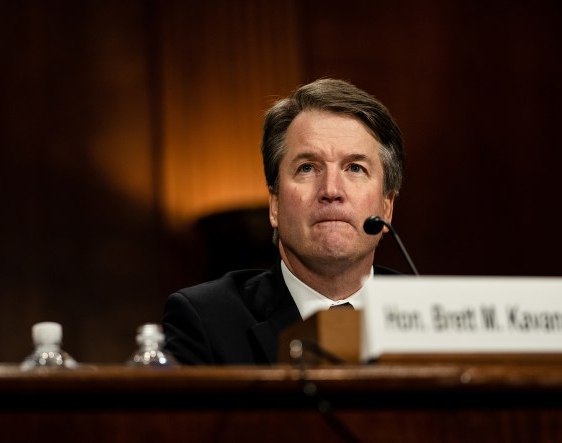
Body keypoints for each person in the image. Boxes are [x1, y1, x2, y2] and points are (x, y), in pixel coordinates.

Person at [162, 78, 405, 365]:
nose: (331, 190)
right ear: (275, 204)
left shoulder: (435, 314)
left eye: (354, 168)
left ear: (386, 206)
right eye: (307, 168)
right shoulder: (205, 321)